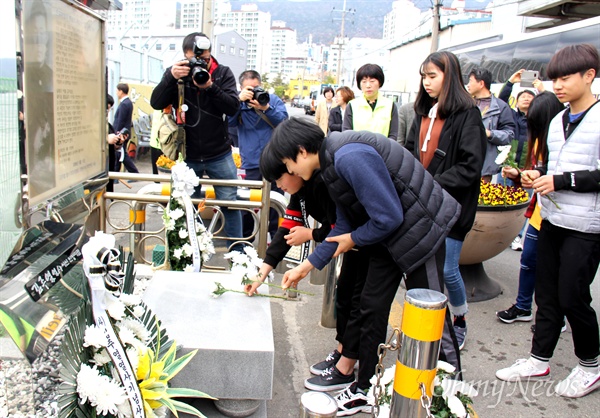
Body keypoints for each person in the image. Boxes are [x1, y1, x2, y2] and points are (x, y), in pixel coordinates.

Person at [268, 118, 462, 415]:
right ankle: (366, 386)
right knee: (370, 305)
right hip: (391, 236)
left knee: (431, 314)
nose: (289, 171)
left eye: (287, 163)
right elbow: (345, 223)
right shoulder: (330, 165)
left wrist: (353, 238)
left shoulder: (349, 157)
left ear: (302, 151)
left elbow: (388, 217)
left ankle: (451, 391)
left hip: (422, 228)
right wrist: (306, 266)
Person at [496, 44, 600, 399]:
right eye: (554, 78)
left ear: (590, 76)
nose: (557, 85)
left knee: (573, 297)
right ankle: (538, 358)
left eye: (566, 77)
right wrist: (532, 174)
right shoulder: (558, 120)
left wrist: (560, 181)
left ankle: (590, 365)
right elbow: (553, 169)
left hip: (587, 226)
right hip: (553, 218)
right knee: (548, 296)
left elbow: (580, 174)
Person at [245, 145, 368, 380]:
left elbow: (338, 229)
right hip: (348, 244)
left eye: (281, 177)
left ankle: (347, 366)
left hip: (362, 241)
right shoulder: (300, 189)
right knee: (344, 297)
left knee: (357, 302)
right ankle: (342, 352)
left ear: (293, 165)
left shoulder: (322, 183)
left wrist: (310, 236)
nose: (279, 186)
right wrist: (261, 273)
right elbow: (287, 230)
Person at [406, 51, 486, 351]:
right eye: (424, 76)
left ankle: (460, 318)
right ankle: (428, 327)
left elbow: (470, 165)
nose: (426, 83)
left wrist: (431, 183)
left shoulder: (467, 114)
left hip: (451, 207)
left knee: (448, 269)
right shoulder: (423, 111)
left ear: (449, 76)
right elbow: (412, 151)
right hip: (421, 204)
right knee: (426, 269)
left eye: (433, 76)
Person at [150, 32, 242, 248]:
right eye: (196, 60)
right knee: (187, 208)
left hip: (220, 153)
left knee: (230, 204)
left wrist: (210, 87)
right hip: (188, 154)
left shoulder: (222, 73)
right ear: (185, 56)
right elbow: (156, 102)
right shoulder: (176, 75)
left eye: (206, 59)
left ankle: (239, 253)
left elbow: (232, 107)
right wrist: (170, 77)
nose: (202, 64)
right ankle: (191, 252)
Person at [495, 92, 564, 325]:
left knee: (554, 269)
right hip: (538, 214)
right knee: (528, 260)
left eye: (536, 123)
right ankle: (523, 306)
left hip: (561, 216)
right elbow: (533, 174)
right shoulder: (534, 141)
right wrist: (518, 175)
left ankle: (556, 314)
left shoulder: (563, 142)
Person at [228, 70, 288, 239]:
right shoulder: (238, 103)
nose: (254, 92)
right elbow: (228, 123)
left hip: (276, 160)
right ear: (241, 88)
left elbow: (284, 122)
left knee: (275, 203)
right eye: (249, 88)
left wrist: (266, 108)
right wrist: (238, 101)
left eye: (257, 87)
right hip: (252, 162)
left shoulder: (272, 100)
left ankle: (275, 239)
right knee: (248, 204)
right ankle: (246, 240)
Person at [498, 69, 538, 251]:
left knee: (522, 204)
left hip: (527, 168)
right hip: (508, 165)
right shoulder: (511, 116)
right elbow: (501, 102)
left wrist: (541, 89)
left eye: (531, 96)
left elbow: (552, 107)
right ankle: (501, 234)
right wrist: (510, 83)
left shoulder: (538, 120)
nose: (527, 98)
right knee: (503, 200)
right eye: (523, 96)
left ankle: (517, 236)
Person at [467, 67, 516, 182]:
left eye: (470, 81)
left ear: (481, 83)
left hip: (484, 168)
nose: (468, 85)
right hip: (463, 164)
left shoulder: (500, 107)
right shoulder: (465, 104)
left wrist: (489, 133)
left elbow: (509, 135)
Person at [342, 64, 400, 140]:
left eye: (372, 81)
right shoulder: (352, 105)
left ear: (379, 83)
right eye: (364, 81)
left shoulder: (390, 105)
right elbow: (347, 133)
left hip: (383, 150)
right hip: (357, 150)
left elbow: (393, 134)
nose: (368, 85)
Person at [113, 83, 139, 175]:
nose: (116, 93)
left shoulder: (124, 104)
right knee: (120, 154)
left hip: (121, 134)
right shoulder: (128, 102)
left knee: (122, 154)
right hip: (124, 133)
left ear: (121, 91)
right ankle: (116, 174)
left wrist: (116, 133)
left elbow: (120, 121)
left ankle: (134, 173)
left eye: (117, 91)